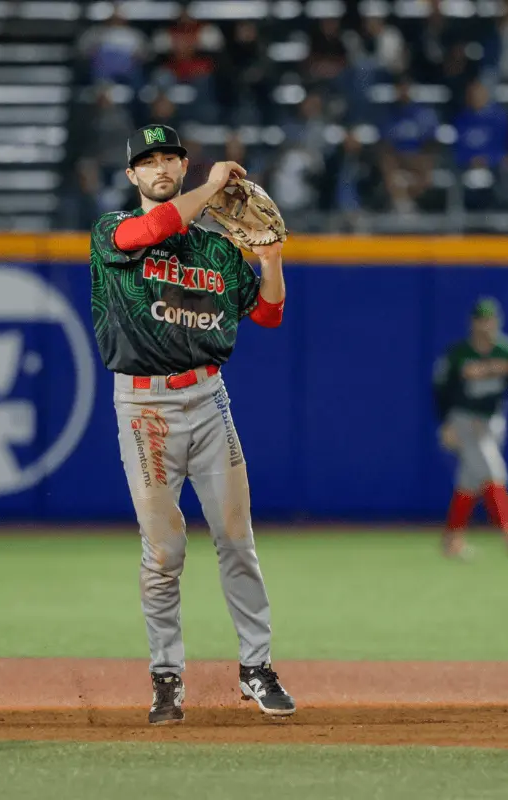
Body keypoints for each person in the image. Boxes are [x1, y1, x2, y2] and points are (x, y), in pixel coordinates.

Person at [89, 123, 295, 725]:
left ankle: (256, 668)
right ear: (132, 176)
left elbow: (269, 314)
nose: (158, 167)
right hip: (144, 409)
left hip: (208, 400)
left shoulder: (216, 251)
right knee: (164, 553)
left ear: (180, 165)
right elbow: (156, 229)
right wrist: (209, 188)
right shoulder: (110, 231)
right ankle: (165, 677)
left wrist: (272, 257)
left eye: (168, 158)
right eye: (146, 161)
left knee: (237, 539)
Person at [432, 297, 508, 559]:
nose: (486, 326)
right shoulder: (457, 353)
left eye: (490, 321)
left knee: (470, 480)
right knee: (492, 470)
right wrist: (446, 423)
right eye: (481, 321)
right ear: (472, 323)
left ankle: (452, 540)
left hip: (494, 420)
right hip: (464, 420)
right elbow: (440, 391)